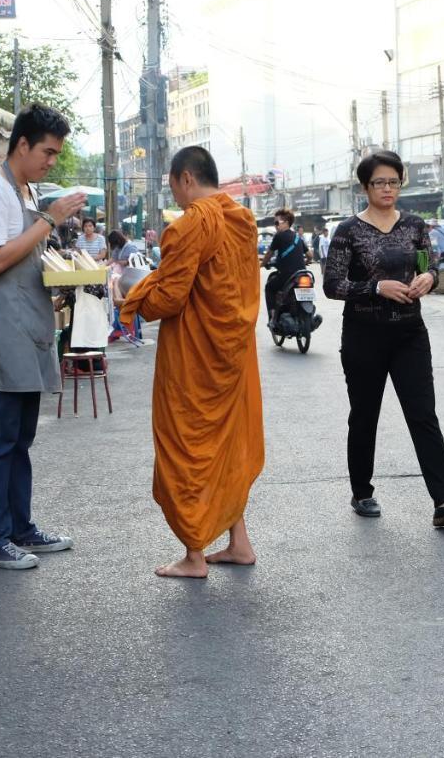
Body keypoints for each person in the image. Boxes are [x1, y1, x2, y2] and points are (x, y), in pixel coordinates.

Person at [120, 146, 264, 579]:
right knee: (228, 449)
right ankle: (239, 543)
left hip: (193, 358)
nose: (176, 197)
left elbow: (169, 299)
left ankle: (194, 555)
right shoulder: (243, 220)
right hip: (234, 355)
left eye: (173, 186)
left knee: (190, 448)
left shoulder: (189, 227)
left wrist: (135, 296)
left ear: (185, 178)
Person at [0, 104, 87, 570]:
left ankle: (20, 528)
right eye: (47, 152)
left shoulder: (24, 189)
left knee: (20, 437)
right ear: (21, 145)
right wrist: (49, 219)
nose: (51, 161)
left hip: (26, 323)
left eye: (56, 154)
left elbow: (28, 255)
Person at [323, 149, 444, 527]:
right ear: (365, 187)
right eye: (379, 182)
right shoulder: (348, 231)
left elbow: (429, 264)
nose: (387, 189)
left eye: (393, 182)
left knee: (422, 415)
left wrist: (429, 279)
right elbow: (332, 284)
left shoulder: (415, 226)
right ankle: (363, 492)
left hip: (409, 334)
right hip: (363, 336)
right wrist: (376, 287)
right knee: (365, 416)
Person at [261, 208, 306, 320]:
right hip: (303, 275)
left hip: (287, 276)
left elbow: (268, 255)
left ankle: (272, 317)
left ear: (286, 222)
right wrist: (305, 262)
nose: (275, 226)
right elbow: (310, 255)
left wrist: (261, 264)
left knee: (269, 287)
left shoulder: (279, 236)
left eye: (277, 223)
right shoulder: (297, 237)